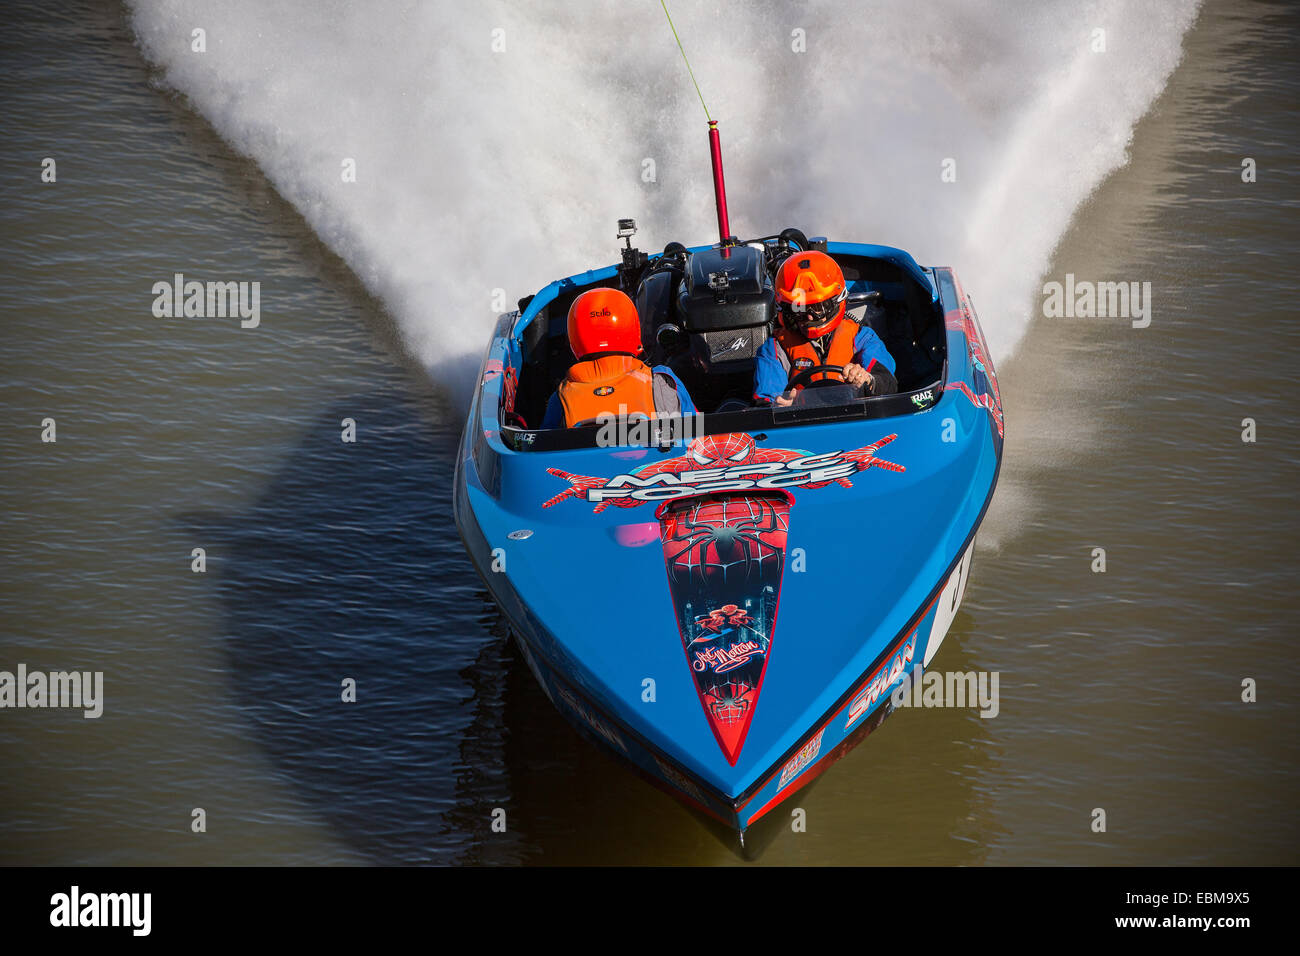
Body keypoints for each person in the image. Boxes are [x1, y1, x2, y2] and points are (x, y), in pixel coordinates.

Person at [753, 250, 897, 406]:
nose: (808, 317)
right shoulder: (775, 348)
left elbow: (888, 382)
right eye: (798, 308)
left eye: (817, 307)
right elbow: (765, 402)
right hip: (801, 425)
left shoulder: (862, 337)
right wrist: (780, 405)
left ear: (835, 302)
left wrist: (868, 380)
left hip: (857, 420)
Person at [542, 287, 697, 428]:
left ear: (574, 338)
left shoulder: (560, 398)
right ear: (633, 328)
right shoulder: (663, 380)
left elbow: (544, 447)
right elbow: (699, 436)